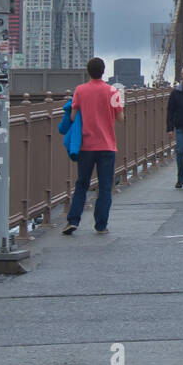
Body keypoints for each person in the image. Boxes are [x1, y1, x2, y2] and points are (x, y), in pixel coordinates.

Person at [64, 57, 125, 235]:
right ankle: (100, 224)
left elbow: (73, 116)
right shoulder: (112, 91)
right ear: (103, 71)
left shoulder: (80, 90)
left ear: (88, 71)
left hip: (86, 145)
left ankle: (73, 220)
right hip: (107, 145)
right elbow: (120, 118)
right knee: (105, 186)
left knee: (82, 183)